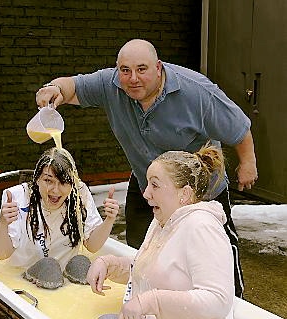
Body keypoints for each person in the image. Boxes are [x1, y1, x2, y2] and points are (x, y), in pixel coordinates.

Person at [35, 38, 258, 297]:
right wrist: (53, 89)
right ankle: (149, 300)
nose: (133, 78)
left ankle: (234, 304)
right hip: (147, 184)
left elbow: (238, 128)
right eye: (125, 70)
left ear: (159, 67)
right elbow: (71, 87)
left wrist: (248, 162)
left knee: (214, 252)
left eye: (142, 69)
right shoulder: (112, 85)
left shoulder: (196, 92)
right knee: (141, 249)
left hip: (198, 192)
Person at [86, 144, 235, 319]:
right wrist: (109, 264)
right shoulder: (164, 220)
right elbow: (150, 269)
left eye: (155, 185)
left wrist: (150, 302)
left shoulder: (202, 227)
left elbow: (217, 301)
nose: (146, 193)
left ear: (184, 194)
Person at [0, 147, 119, 270]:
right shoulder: (19, 197)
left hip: (64, 277)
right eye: (48, 180)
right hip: (22, 274)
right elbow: (2, 254)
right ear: (37, 179)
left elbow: (92, 246)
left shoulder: (79, 194)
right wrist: (3, 222)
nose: (55, 190)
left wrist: (109, 219)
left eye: (63, 182)